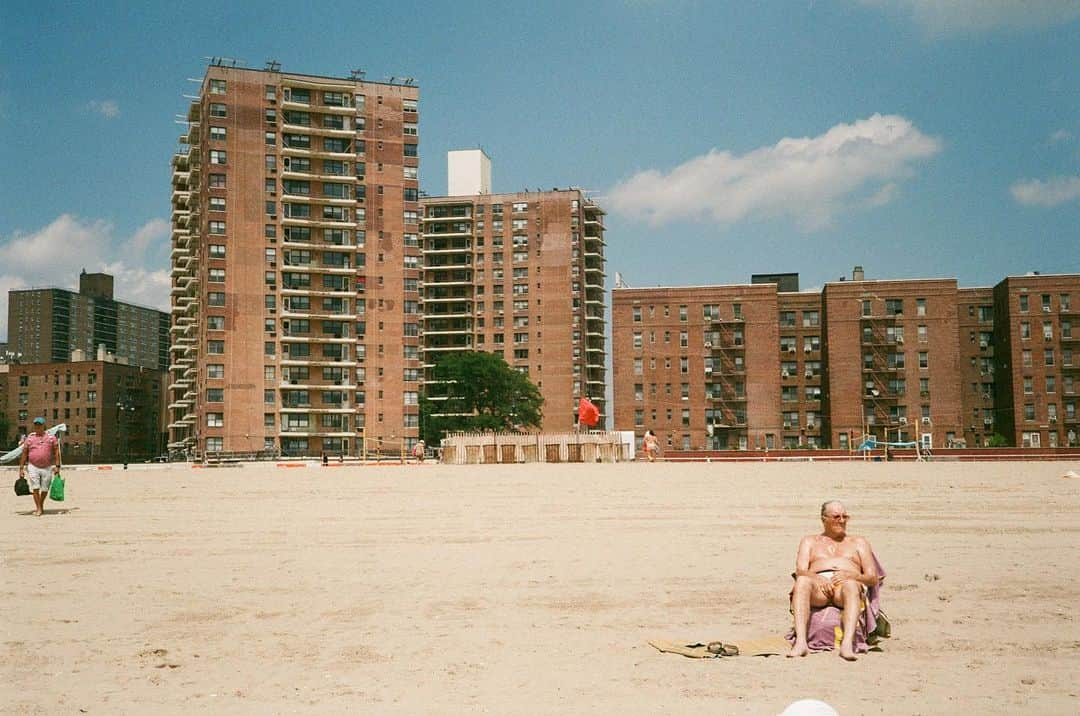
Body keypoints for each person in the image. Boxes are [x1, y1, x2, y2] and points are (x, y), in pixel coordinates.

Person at [787, 500, 879, 661]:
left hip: (845, 586)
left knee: (851, 586)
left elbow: (872, 578)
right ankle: (801, 643)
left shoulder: (859, 542)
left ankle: (847, 645)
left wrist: (851, 576)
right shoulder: (809, 541)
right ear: (824, 519)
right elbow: (800, 570)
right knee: (802, 581)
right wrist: (817, 578)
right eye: (836, 517)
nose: (842, 521)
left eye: (845, 517)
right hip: (818, 586)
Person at [18, 417, 61, 517]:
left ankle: (40, 504)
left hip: (47, 467)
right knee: (35, 487)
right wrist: (21, 468)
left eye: (40, 425)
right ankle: (39, 508)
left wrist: (57, 466)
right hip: (33, 466)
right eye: (36, 425)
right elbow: (24, 453)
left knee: (45, 489)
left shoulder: (51, 438)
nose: (38, 427)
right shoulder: (30, 439)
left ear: (44, 426)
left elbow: (56, 453)